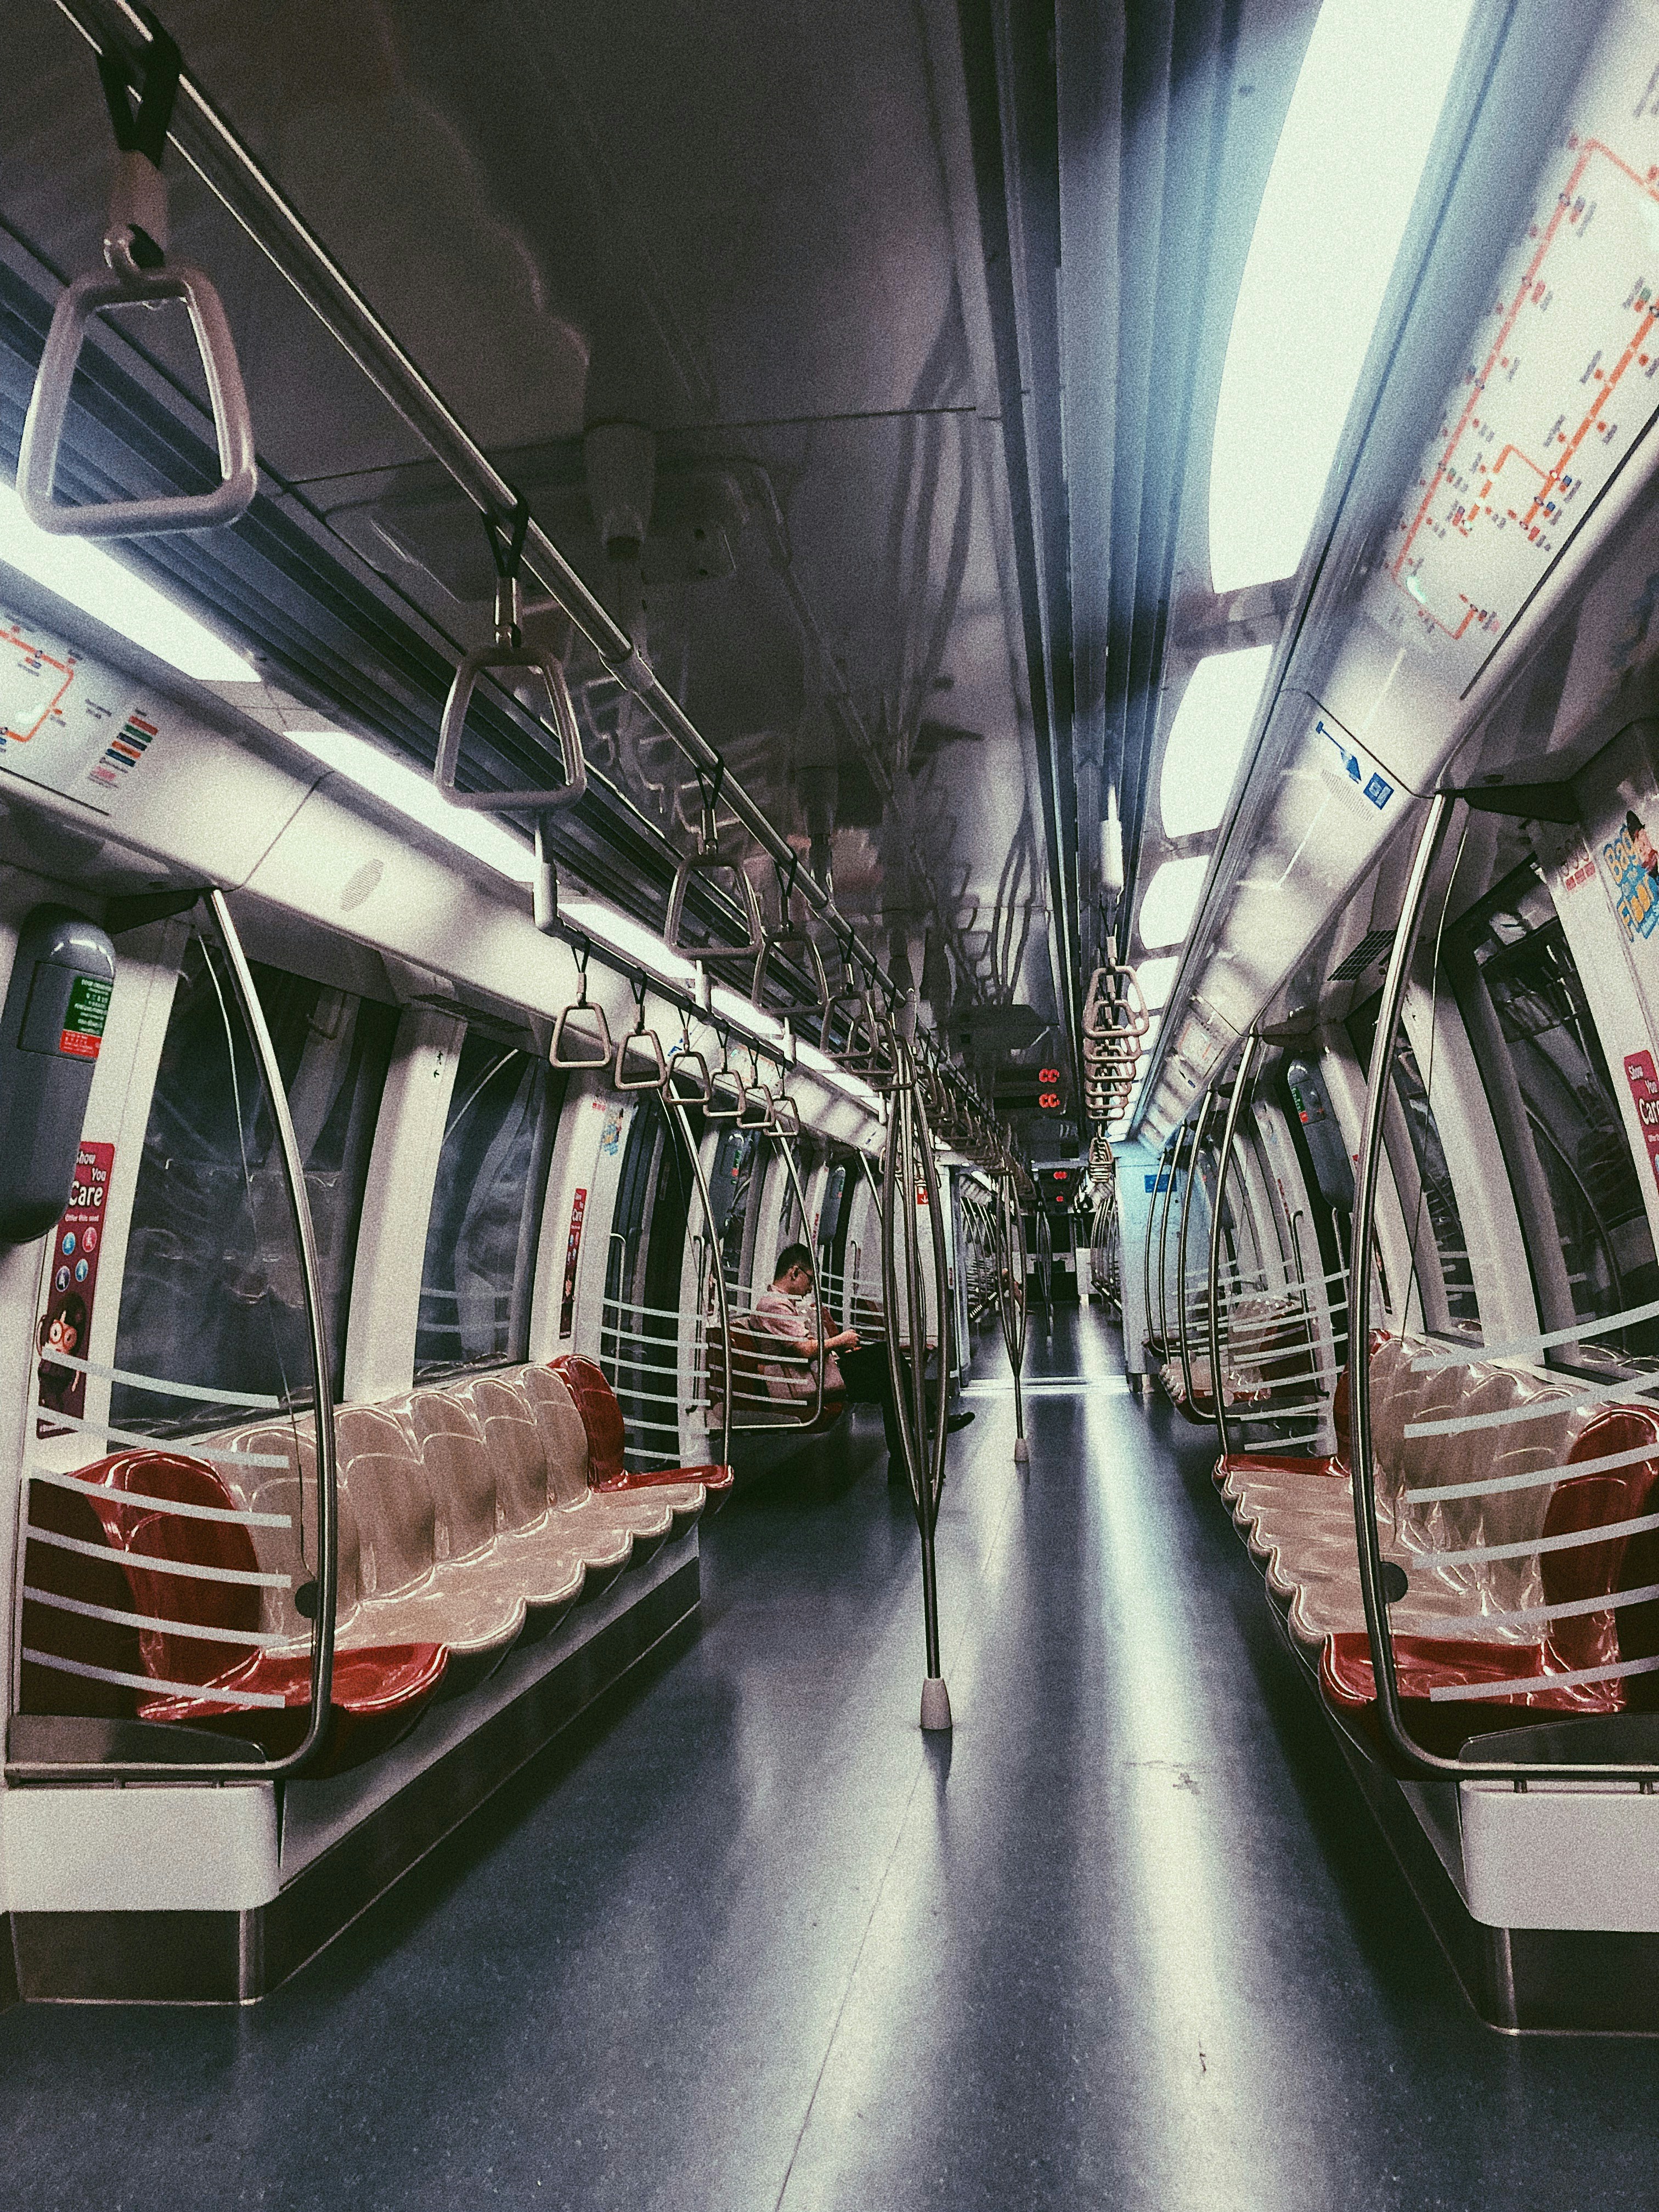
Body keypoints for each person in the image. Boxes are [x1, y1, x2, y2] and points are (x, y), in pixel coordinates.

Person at [751, 1243, 971, 1480]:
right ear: (794, 1273)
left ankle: (918, 1437)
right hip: (803, 1380)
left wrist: (840, 1345)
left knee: (886, 1355)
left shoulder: (784, 1304)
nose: (810, 1288)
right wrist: (841, 1340)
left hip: (818, 1370)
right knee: (891, 1383)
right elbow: (805, 1350)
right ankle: (921, 1433)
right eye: (810, 1280)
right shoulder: (774, 1305)